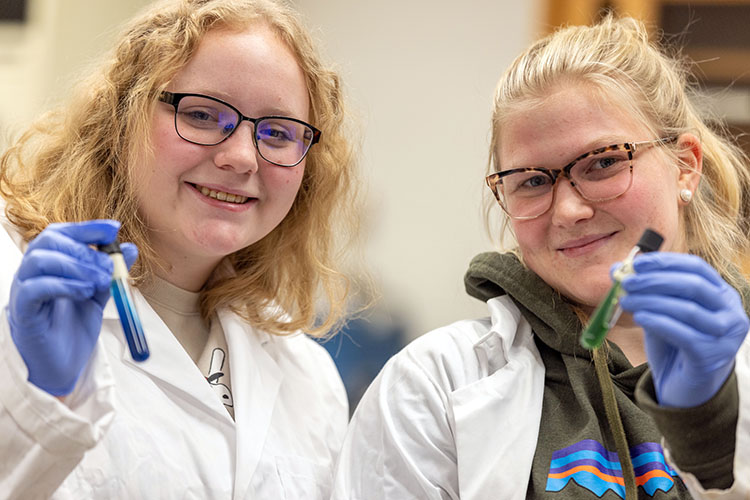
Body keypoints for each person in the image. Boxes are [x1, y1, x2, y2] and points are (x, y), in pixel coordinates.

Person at [332, 15, 750, 499]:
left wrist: (709, 429)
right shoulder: (432, 387)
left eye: (605, 162)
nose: (569, 210)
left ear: (685, 166)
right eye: (532, 181)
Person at [0, 0, 361, 497]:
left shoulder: (308, 377)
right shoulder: (13, 277)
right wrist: (44, 397)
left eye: (277, 132)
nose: (240, 157)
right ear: (120, 117)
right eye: (201, 114)